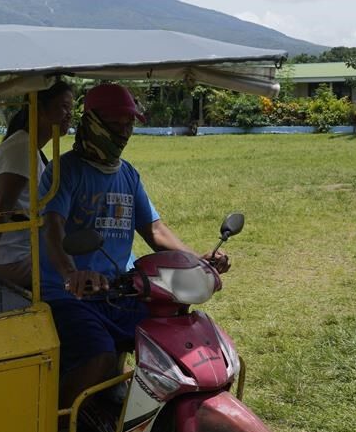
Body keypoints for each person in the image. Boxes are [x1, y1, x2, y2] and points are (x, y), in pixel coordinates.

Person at [38, 83, 228, 409]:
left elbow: (154, 230)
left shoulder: (127, 174)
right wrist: (70, 272)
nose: (125, 133)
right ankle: (58, 430)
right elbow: (52, 228)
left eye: (129, 124)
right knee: (99, 357)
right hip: (70, 294)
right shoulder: (64, 172)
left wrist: (196, 260)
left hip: (121, 290)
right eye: (116, 125)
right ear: (94, 123)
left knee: (173, 344)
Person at [0, 80, 74, 289]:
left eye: (71, 108)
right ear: (39, 109)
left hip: (12, 253)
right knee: (75, 277)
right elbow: (2, 209)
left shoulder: (29, 147)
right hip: (6, 258)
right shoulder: (21, 149)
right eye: (63, 107)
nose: (69, 114)